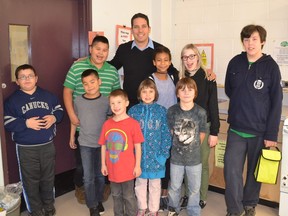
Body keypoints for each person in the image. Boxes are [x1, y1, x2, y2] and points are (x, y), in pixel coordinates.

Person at [224, 24, 282, 216]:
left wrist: (271, 134)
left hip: (259, 130)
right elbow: (229, 90)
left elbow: (276, 102)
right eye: (247, 39)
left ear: (262, 42)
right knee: (231, 171)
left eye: (254, 39)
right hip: (236, 129)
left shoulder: (271, 67)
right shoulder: (235, 62)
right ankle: (234, 209)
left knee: (254, 173)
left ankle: (249, 204)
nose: (250, 43)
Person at [63, 35, 120, 207]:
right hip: (84, 128)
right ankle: (82, 190)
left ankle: (100, 192)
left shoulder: (112, 70)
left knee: (102, 165)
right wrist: (72, 115)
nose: (100, 53)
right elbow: (67, 91)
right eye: (97, 49)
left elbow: (117, 95)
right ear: (90, 49)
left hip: (105, 130)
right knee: (82, 166)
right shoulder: (77, 66)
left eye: (104, 50)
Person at [4, 64, 64, 216]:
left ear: (36, 78)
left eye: (30, 76)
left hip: (47, 146)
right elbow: (7, 122)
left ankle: (49, 206)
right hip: (26, 148)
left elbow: (59, 110)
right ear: (17, 81)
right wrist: (26, 123)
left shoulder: (48, 96)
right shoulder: (12, 101)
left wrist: (54, 117)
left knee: (48, 179)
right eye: (22, 77)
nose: (27, 79)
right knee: (30, 181)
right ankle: (35, 210)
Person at [178, 43, 220, 210]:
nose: (189, 60)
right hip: (186, 127)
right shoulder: (181, 78)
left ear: (198, 57)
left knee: (201, 163)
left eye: (192, 56)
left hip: (204, 126)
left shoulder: (208, 78)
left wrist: (214, 132)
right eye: (185, 57)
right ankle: (188, 195)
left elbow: (213, 106)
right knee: (187, 162)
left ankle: (201, 196)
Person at [109, 13, 178, 108]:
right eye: (136, 27)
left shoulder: (159, 49)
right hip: (130, 105)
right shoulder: (123, 49)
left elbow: (172, 71)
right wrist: (91, 60)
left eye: (143, 26)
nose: (140, 30)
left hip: (154, 106)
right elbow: (111, 66)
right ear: (132, 30)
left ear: (149, 29)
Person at [69, 69, 111, 216]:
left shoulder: (106, 101)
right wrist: (71, 136)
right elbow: (74, 121)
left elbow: (111, 121)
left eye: (92, 82)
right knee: (88, 176)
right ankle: (92, 205)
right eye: (85, 84)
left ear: (99, 82)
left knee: (100, 175)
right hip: (85, 143)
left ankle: (98, 199)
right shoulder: (78, 101)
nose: (89, 86)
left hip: (102, 145)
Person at [128, 79, 172, 216]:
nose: (147, 95)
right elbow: (128, 134)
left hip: (156, 157)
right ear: (139, 94)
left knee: (155, 185)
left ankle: (153, 209)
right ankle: (142, 207)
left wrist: (163, 155)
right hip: (138, 158)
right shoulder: (133, 111)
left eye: (151, 91)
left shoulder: (161, 111)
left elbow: (166, 135)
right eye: (144, 91)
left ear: (155, 93)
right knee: (139, 184)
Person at [99, 89, 144, 216]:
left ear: (126, 103)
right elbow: (103, 146)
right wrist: (103, 164)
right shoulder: (107, 124)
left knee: (129, 196)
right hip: (113, 169)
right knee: (116, 195)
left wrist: (137, 165)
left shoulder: (133, 124)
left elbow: (138, 147)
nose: (116, 106)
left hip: (128, 169)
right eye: (112, 103)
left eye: (119, 102)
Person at [167, 77, 207, 216]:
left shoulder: (200, 112)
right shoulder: (172, 111)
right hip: (176, 158)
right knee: (174, 186)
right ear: (177, 93)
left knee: (194, 188)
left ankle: (194, 211)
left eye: (190, 90)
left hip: (194, 158)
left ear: (195, 93)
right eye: (182, 90)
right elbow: (171, 131)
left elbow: (202, 132)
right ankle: (173, 209)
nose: (186, 93)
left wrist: (193, 146)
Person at [148, 46, 178, 212]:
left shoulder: (174, 76)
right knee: (158, 159)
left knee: (169, 160)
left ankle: (165, 194)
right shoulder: (150, 78)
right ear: (154, 62)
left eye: (166, 60)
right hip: (157, 126)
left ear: (170, 61)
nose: (162, 63)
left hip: (172, 125)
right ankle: (157, 194)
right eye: (159, 60)